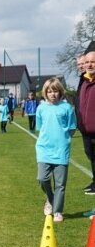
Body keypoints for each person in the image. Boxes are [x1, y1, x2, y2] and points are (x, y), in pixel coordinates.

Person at [35, 78, 77, 223]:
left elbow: (72, 128)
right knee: (42, 178)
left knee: (60, 184)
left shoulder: (67, 108)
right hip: (44, 149)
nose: (52, 94)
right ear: (45, 93)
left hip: (61, 150)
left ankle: (58, 211)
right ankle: (51, 199)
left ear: (60, 92)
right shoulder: (41, 108)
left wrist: (63, 140)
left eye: (55, 91)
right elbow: (40, 128)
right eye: (49, 91)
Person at [76, 41, 95, 195]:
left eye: (91, 62)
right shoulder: (83, 81)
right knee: (91, 156)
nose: (88, 65)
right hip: (86, 130)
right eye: (86, 62)